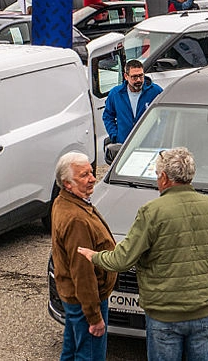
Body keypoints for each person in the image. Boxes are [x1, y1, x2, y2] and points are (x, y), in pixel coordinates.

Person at [78, 147, 208, 361]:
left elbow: (123, 259)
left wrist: (94, 256)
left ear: (164, 177)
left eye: (156, 175)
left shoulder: (152, 212)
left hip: (164, 315)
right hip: (204, 311)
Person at [52, 151, 116, 361]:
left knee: (71, 352)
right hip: (86, 299)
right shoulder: (76, 219)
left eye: (91, 171)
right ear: (67, 184)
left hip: (74, 298)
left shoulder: (65, 202)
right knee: (89, 355)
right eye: (84, 175)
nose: (92, 179)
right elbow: (83, 272)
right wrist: (94, 316)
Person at [102, 60, 162, 144]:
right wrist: (115, 136)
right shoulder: (116, 94)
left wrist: (159, 136)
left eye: (141, 76)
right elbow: (108, 116)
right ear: (126, 76)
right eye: (134, 77)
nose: (138, 80)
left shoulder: (155, 91)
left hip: (149, 144)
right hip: (124, 144)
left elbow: (165, 115)